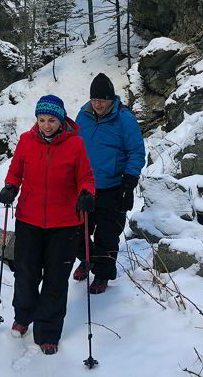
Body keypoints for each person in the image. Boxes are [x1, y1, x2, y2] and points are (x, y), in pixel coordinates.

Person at [0, 94, 95, 355]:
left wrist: (86, 193)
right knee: (26, 273)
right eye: (41, 119)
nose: (46, 124)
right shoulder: (26, 141)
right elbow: (16, 170)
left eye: (51, 120)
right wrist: (10, 187)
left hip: (64, 223)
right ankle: (23, 315)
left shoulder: (75, 144)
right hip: (29, 219)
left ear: (61, 119)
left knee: (55, 278)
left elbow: (85, 176)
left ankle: (49, 331)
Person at [73, 73, 145, 294]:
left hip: (113, 187)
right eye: (94, 100)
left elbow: (136, 151)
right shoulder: (83, 115)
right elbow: (74, 145)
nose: (97, 104)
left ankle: (102, 275)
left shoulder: (124, 119)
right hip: (85, 187)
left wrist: (129, 184)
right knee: (76, 231)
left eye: (102, 100)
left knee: (107, 234)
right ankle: (88, 260)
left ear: (111, 99)